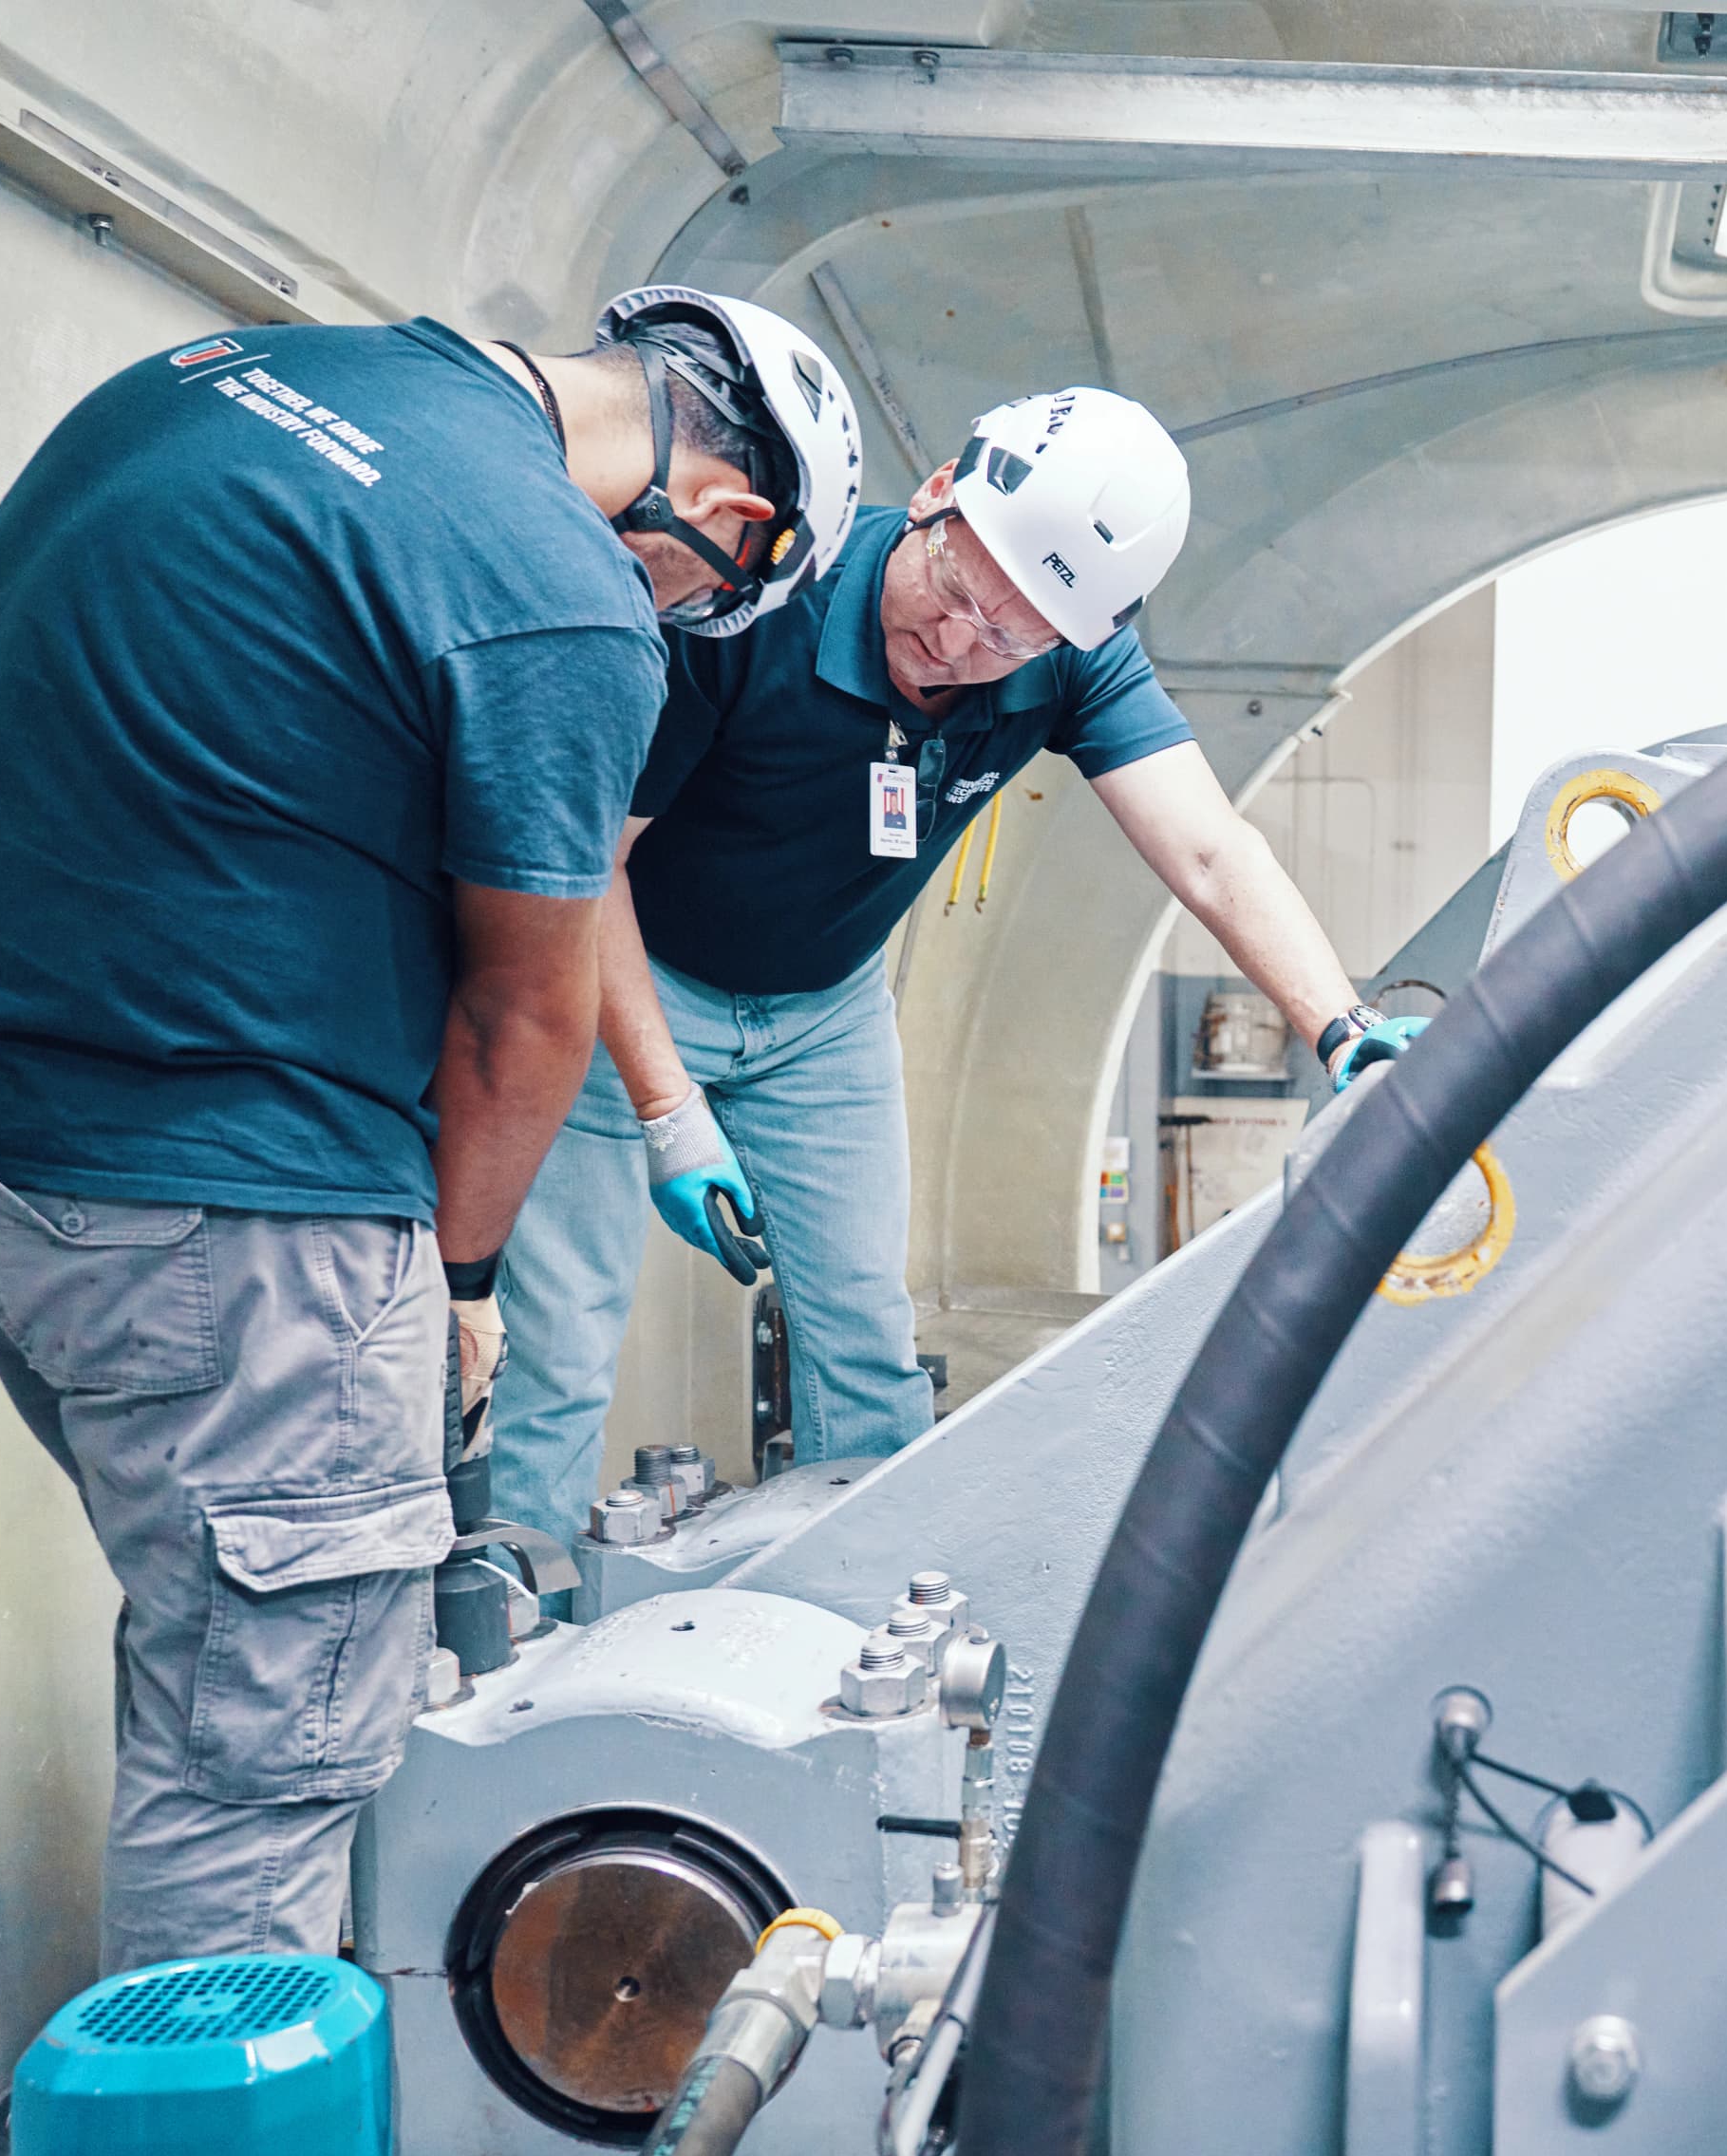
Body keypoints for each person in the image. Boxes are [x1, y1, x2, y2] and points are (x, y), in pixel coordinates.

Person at [0, 287, 863, 2156]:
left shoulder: (222, 380)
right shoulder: (567, 594)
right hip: (229, 1203)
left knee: (217, 1633)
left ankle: (199, 2142)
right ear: (725, 510)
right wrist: (457, 1290)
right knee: (272, 1740)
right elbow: (529, 1011)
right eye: (716, 600)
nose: (687, 621)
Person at [486, 386, 1422, 1548]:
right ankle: (513, 1612)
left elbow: (1212, 852)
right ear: (936, 495)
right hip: (630, 970)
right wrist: (668, 1108)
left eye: (1014, 637)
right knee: (568, 1331)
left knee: (864, 1338)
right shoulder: (766, 599)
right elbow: (591, 867)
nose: (961, 645)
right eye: (961, 593)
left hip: (824, 1011)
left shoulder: (1067, 661)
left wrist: (1342, 1028)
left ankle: (853, 1615)